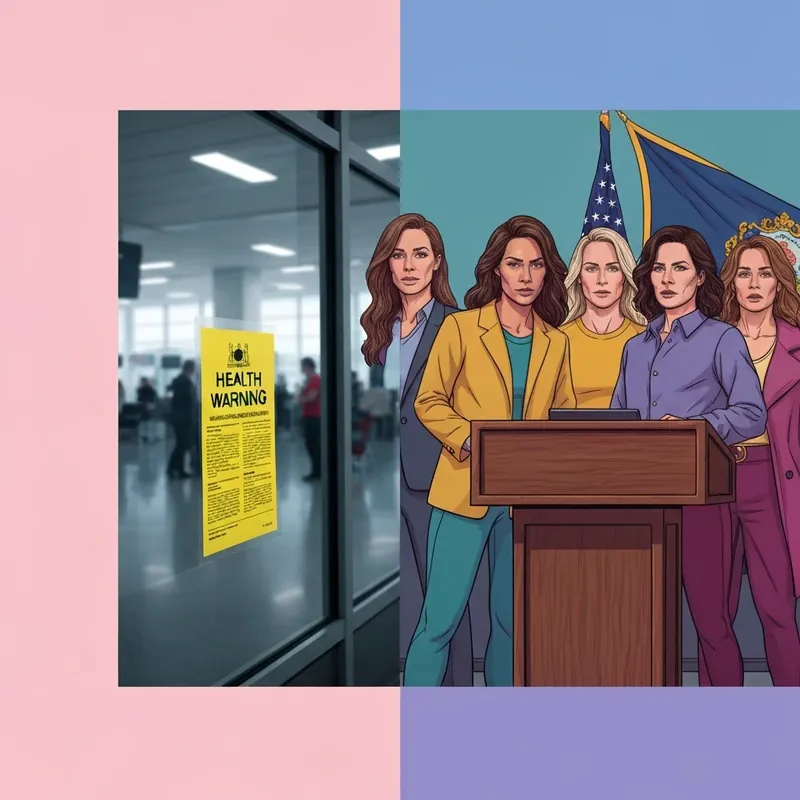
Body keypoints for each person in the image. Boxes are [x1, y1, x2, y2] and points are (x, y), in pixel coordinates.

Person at [404, 215, 576, 687]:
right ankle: (413, 734)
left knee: (510, 626)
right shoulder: (461, 329)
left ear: (547, 273)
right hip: (465, 493)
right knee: (438, 624)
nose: (525, 276)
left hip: (524, 503)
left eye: (536, 265)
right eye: (514, 264)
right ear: (496, 270)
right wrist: (470, 442)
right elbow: (429, 401)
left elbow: (564, 415)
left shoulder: (556, 343)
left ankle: (501, 733)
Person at [610, 225, 766, 686]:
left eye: (679, 267)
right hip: (640, 503)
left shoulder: (722, 339)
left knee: (711, 623)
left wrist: (694, 429)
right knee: (643, 626)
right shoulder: (633, 348)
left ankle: (725, 732)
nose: (667, 278)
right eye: (659, 267)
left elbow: (751, 413)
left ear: (700, 277)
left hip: (702, 501)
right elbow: (618, 418)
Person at [360, 212, 472, 686]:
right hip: (378, 478)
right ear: (387, 265)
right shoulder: (375, 333)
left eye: (420, 254)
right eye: (399, 255)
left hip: (437, 477)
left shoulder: (459, 325)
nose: (408, 265)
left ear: (437, 263)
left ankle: (462, 699)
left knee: (445, 600)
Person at [715, 235, 800, 686]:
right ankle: (714, 726)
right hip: (714, 476)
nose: (753, 283)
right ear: (732, 281)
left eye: (764, 273)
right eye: (744, 272)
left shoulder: (797, 346)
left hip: (772, 482)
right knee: (715, 609)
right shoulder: (708, 341)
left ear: (779, 283)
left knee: (777, 607)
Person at [561, 227, 646, 407]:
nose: (602, 280)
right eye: (591, 268)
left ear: (624, 274)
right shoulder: (558, 341)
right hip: (570, 435)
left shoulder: (647, 340)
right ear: (578, 276)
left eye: (612, 268)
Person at [167, 360, 198, 479]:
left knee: (182, 444)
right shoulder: (184, 381)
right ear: (190, 368)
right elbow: (188, 401)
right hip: (183, 418)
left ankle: (175, 469)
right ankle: (175, 469)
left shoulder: (180, 380)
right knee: (182, 444)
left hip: (181, 417)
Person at [298, 357, 322, 481]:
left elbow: (312, 397)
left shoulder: (314, 379)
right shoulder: (308, 380)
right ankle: (316, 471)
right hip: (308, 416)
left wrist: (300, 400)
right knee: (311, 444)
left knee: (313, 445)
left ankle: (317, 472)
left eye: (302, 366)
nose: (301, 369)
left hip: (314, 416)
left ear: (308, 366)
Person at [136, 377, 158, 442]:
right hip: (147, 407)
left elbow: (140, 398)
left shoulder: (142, 389)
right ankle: (146, 435)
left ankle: (146, 435)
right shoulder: (149, 389)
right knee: (146, 421)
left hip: (146, 407)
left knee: (145, 421)